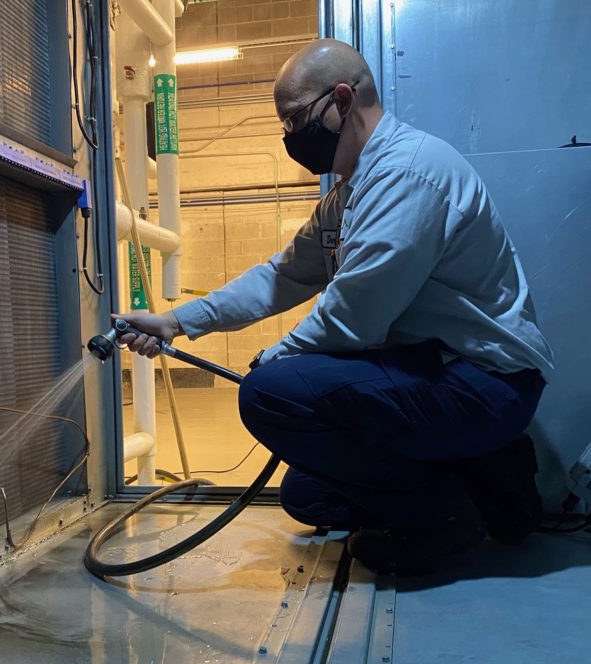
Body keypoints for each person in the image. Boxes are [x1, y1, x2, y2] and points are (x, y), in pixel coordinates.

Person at [115, 39, 554, 575]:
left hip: (484, 382)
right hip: (435, 371)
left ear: (342, 100)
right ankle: (480, 480)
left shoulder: (407, 174)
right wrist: (175, 321)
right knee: (308, 495)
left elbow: (353, 316)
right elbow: (282, 276)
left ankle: (443, 522)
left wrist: (274, 361)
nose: (290, 138)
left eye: (296, 120)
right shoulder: (350, 193)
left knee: (269, 396)